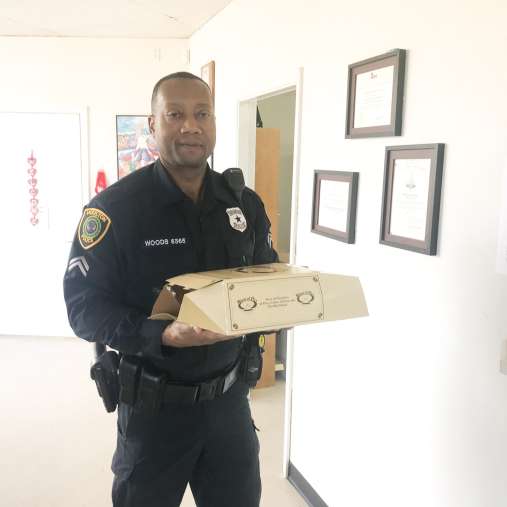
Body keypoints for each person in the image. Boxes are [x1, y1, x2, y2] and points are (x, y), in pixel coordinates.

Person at [63, 72, 278, 507]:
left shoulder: (243, 203)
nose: (191, 126)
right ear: (152, 124)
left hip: (229, 407)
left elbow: (265, 275)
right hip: (153, 412)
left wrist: (284, 303)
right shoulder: (115, 210)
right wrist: (159, 333)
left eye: (202, 114)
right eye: (175, 115)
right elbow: (83, 308)